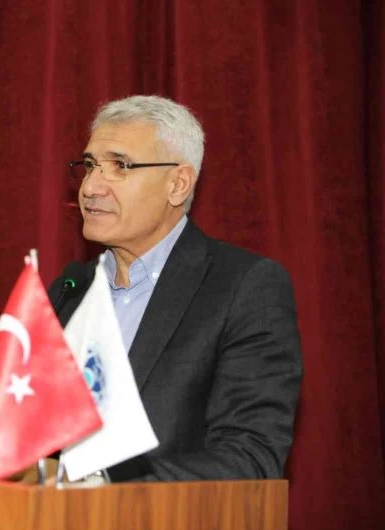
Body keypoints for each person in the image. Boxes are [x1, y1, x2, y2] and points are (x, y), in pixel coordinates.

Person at [49, 95, 303, 481]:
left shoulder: (243, 287)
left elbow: (250, 457)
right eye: (89, 166)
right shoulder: (71, 289)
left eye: (119, 166)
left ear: (178, 184)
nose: (91, 187)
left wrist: (103, 488)